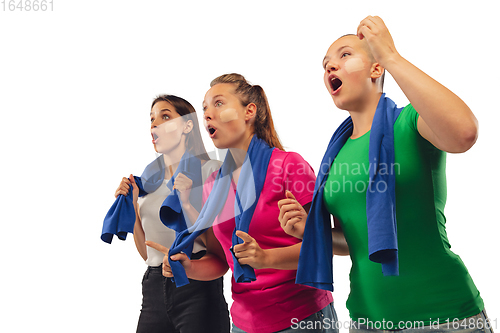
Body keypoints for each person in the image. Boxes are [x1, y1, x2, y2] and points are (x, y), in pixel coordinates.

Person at [280, 16, 491, 332]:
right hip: (368, 320)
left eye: (344, 55)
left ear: (375, 69)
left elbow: (464, 133)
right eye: (325, 64)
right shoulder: (335, 155)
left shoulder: (409, 123)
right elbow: (356, 242)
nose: (330, 68)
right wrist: (306, 232)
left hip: (444, 316)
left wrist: (391, 56)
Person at [148, 74, 338, 333]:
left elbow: (322, 247)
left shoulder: (289, 166)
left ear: (249, 111)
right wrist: (190, 267)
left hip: (300, 318)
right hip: (244, 323)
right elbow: (222, 259)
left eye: (218, 104)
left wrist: (265, 257)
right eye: (204, 108)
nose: (207, 114)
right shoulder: (215, 183)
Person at [113, 95, 230, 333]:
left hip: (197, 287)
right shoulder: (148, 183)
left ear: (187, 126)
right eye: (152, 119)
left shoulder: (211, 171)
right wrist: (134, 205)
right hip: (154, 286)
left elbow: (219, 246)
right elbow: (149, 252)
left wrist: (187, 204)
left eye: (165, 116)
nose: (155, 125)